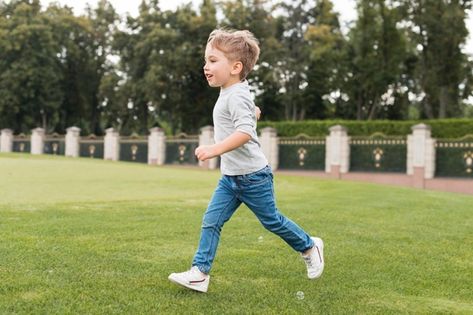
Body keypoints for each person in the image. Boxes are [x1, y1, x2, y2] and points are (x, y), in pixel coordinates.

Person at [168, 29, 324, 293]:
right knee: (211, 221)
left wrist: (215, 149)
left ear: (235, 67)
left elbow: (244, 133)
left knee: (271, 221)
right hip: (230, 179)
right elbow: (242, 115)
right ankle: (199, 273)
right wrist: (252, 112)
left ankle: (309, 246)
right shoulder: (233, 91)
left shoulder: (236, 94)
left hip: (253, 177)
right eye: (206, 60)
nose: (206, 67)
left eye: (213, 60)